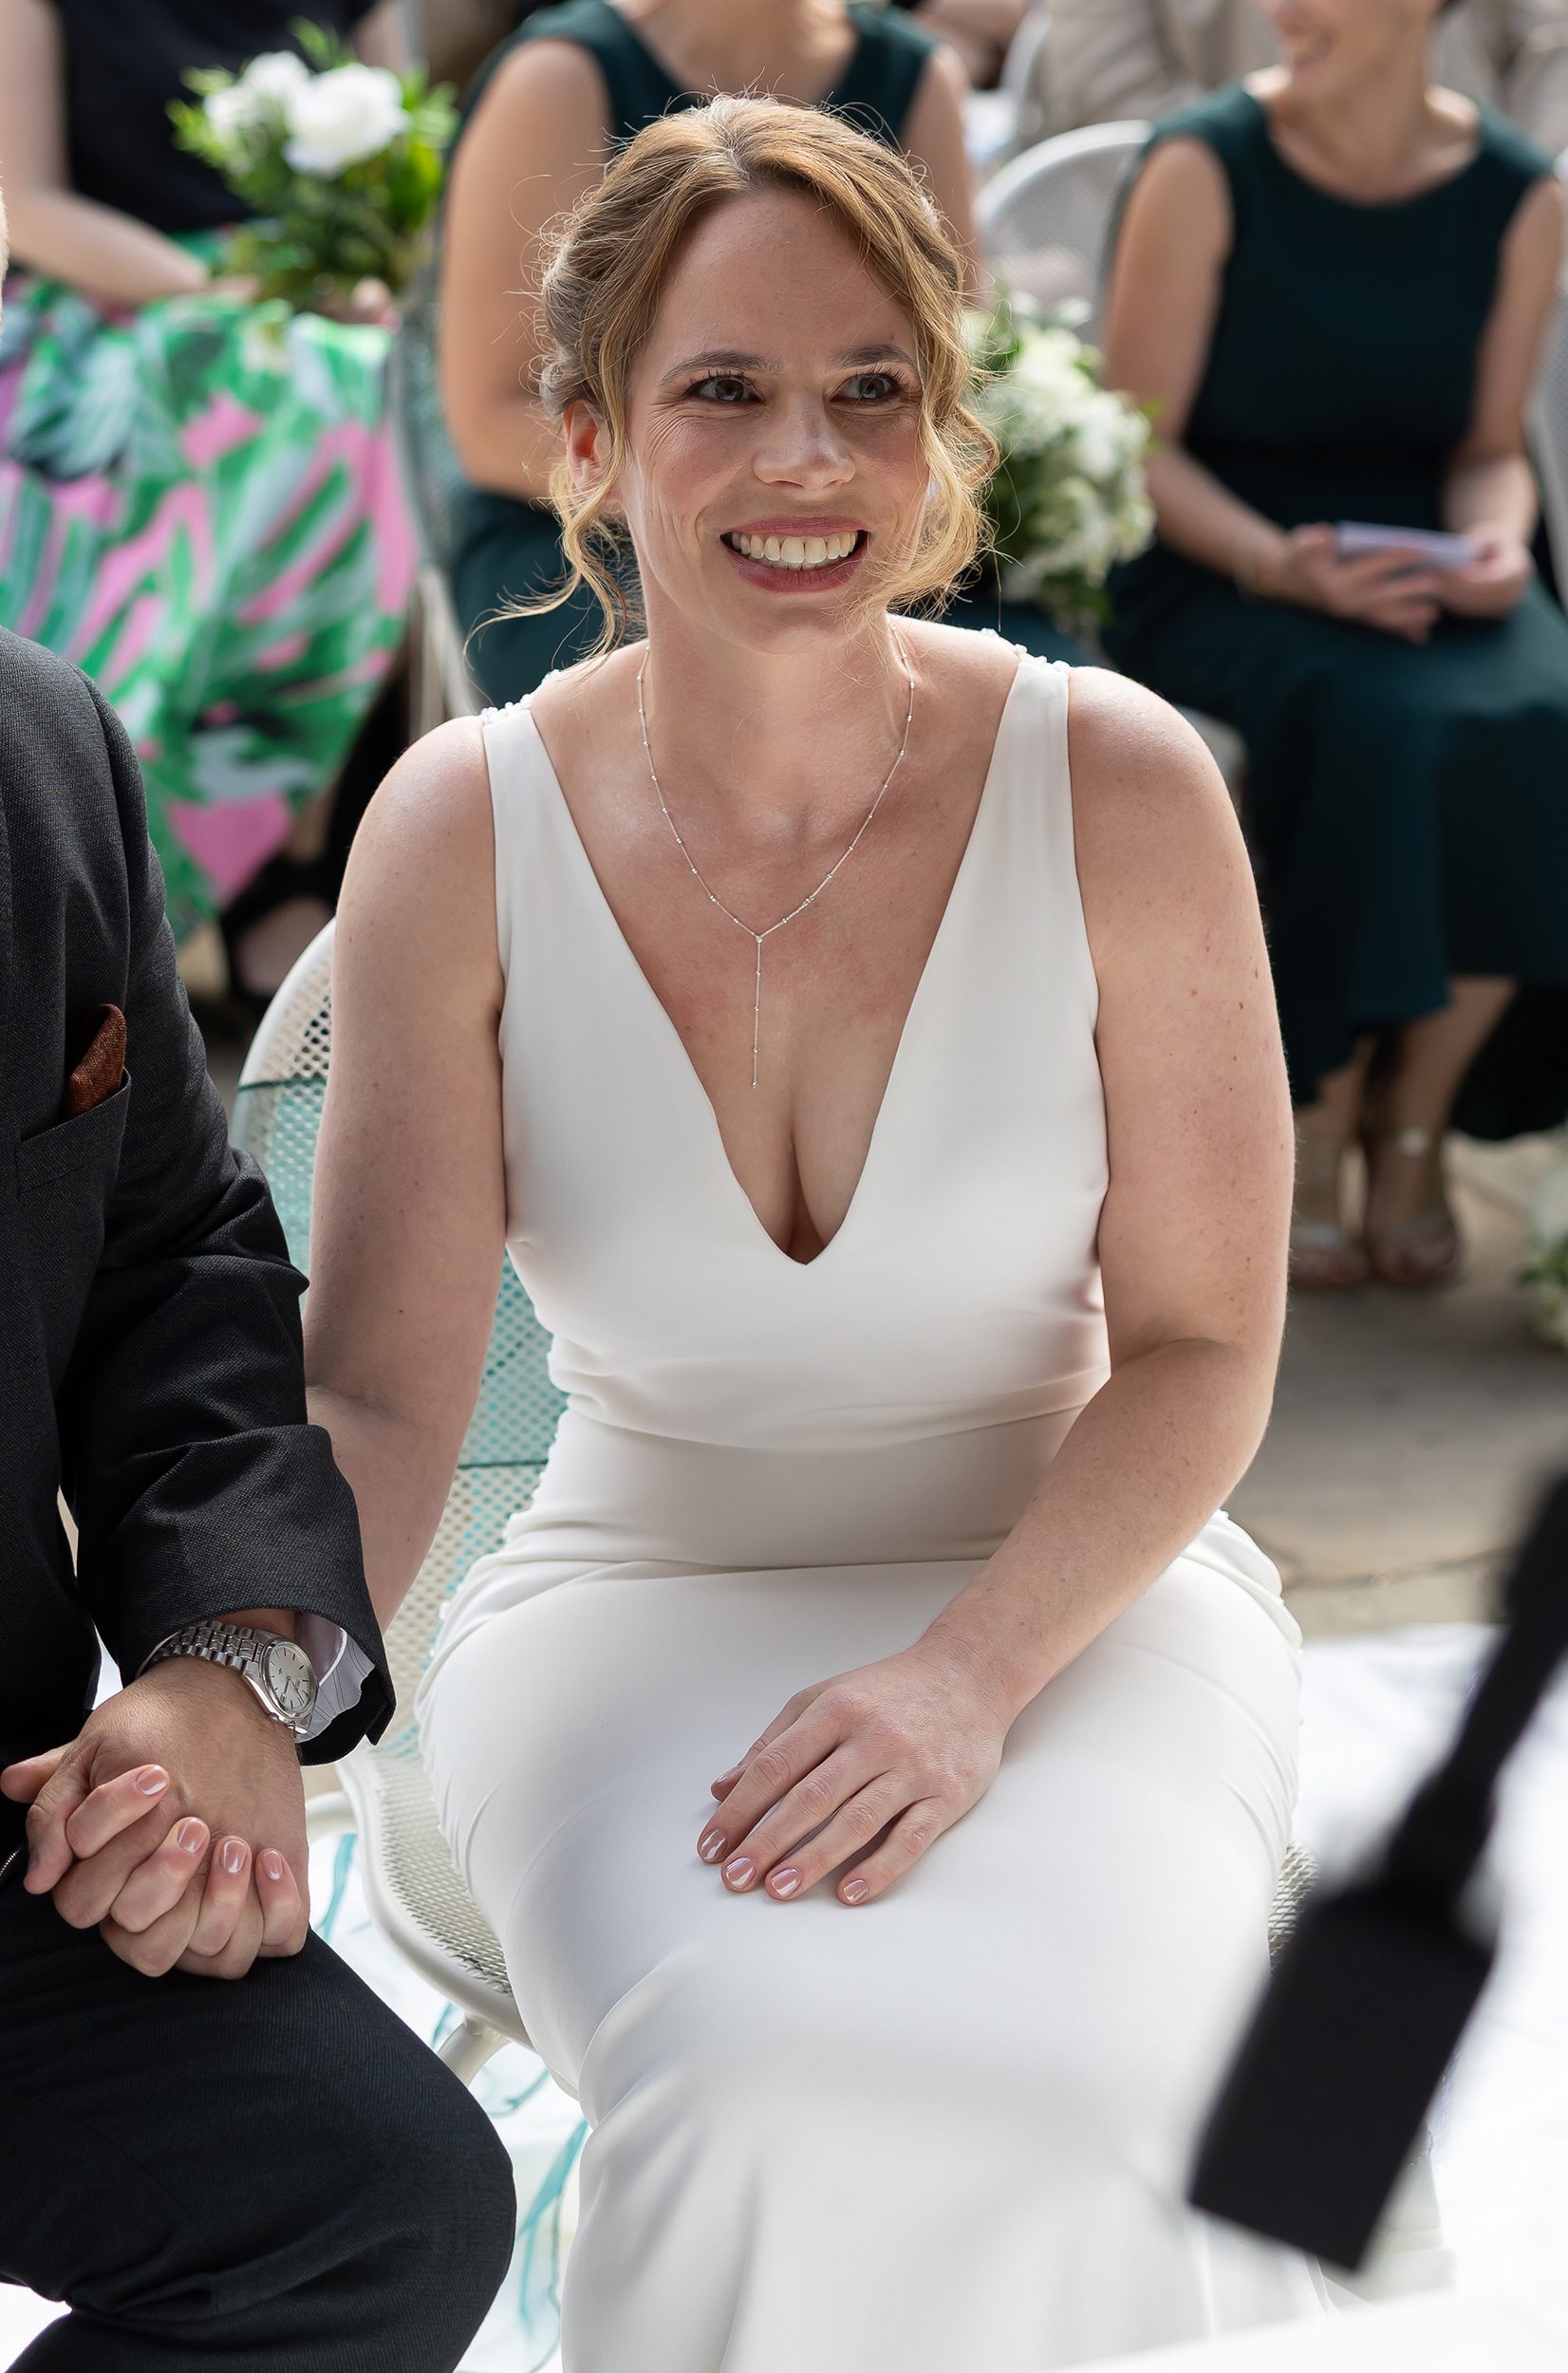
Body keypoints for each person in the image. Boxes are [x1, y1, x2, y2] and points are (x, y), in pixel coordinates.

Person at [307, 94, 1330, 2372]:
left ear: (948, 428)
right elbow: (379, 1397)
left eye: (874, 390)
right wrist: (237, 1711)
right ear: (584, 438)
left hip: (1083, 1602)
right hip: (635, 1598)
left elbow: (1196, 1350)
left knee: (1083, 2067)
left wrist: (970, 1680)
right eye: (724, 392)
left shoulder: (1129, 786)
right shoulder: (459, 825)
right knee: (766, 2073)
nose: (809, 462)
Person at [0, 430, 513, 2373]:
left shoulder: (39, 744)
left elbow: (177, 1262)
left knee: (378, 2204)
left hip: (8, 1813)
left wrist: (224, 1663)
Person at [1101, 0, 1568, 1290]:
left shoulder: (1520, 196)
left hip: (1422, 559)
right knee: (1376, 721)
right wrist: (1276, 562)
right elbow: (1137, 440)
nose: (1284, 10)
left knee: (1547, 712)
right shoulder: (1203, 164)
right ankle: (1316, 1097)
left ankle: (1412, 1114)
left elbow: (1485, 454)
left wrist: (1498, 550)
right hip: (1221, 557)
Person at [439, 0, 1078, 708]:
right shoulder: (558, 77)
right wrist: (716, 513)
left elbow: (949, 356)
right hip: (589, 541)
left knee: (1040, 703)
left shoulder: (919, 75)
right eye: (724, 387)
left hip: (860, 532)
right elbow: (489, 418)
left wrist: (849, 518)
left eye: (868, 385)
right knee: (753, 701)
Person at [0, 0, 418, 996]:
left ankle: (281, 857)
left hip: (305, 330)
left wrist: (351, 279)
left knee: (365, 382)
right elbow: (28, 200)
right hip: (104, 317)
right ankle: (93, 848)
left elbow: (403, 193)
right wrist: (222, 292)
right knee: (237, 381)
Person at [1037, 0, 1568, 154]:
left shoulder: (1511, 195)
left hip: (1467, 201)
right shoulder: (1195, 167)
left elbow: (1554, 42)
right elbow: (1112, 86)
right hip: (1230, 215)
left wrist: (1501, 178)